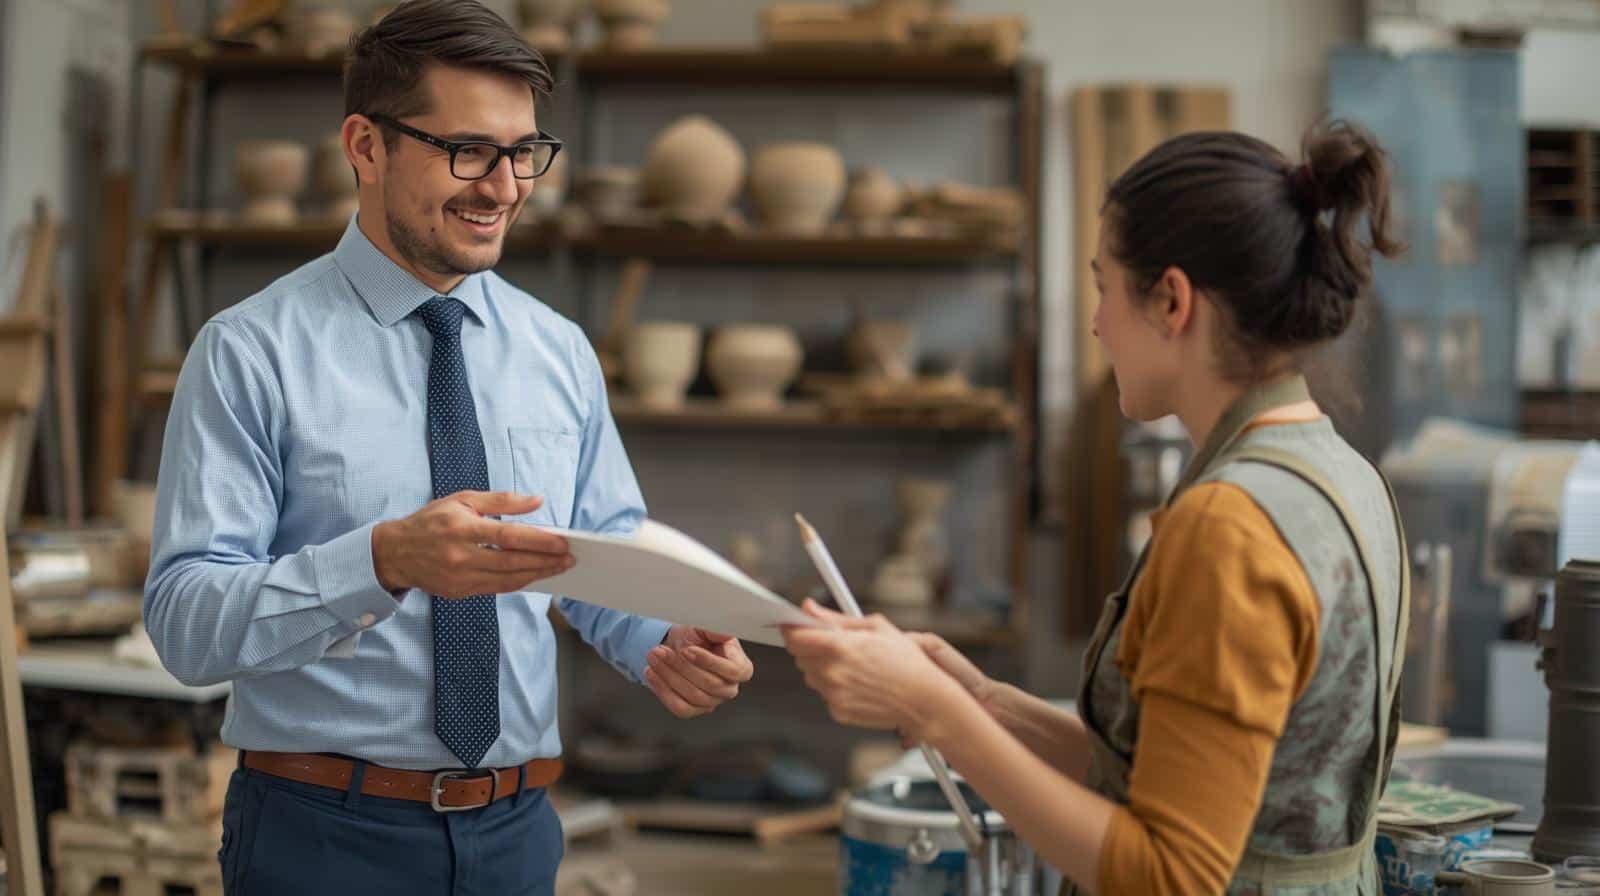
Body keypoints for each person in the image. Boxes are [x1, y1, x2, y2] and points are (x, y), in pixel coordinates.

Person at [143, 2, 753, 892]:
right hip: (322, 839)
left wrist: (670, 637)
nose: (503, 187)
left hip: (517, 836)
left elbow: (598, 561)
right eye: (467, 150)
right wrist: (383, 560)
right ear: (365, 146)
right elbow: (186, 625)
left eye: (524, 153)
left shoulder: (560, 351)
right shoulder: (250, 352)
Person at [786, 120, 1410, 895]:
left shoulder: (1231, 527)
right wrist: (977, 700)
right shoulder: (1344, 478)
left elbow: (1170, 873)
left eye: (1103, 287)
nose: (1095, 323)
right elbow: (1171, 777)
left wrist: (936, 714)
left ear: (1172, 301)